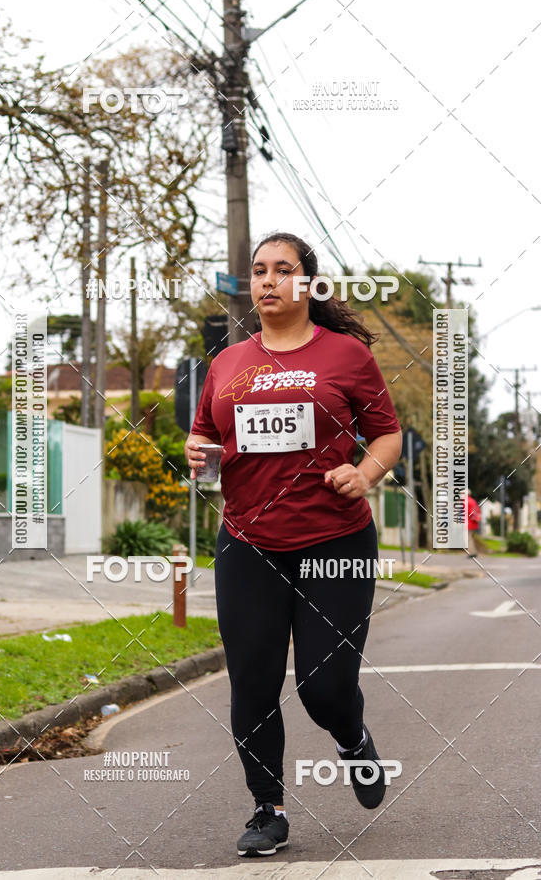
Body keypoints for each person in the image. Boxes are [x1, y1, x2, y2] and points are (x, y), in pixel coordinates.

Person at [184, 232, 403, 857]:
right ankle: (268, 807)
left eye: (284, 270)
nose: (268, 281)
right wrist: (198, 454)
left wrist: (362, 475)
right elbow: (204, 439)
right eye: (259, 271)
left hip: (335, 542)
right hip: (248, 543)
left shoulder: (346, 357)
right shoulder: (226, 364)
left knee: (324, 686)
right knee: (252, 681)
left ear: (309, 283)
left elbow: (386, 435)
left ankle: (353, 737)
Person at [465, 488, 482, 557]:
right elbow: (477, 511)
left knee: (468, 538)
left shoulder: (466, 501)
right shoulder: (473, 501)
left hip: (469, 523)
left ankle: (472, 553)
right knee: (470, 538)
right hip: (474, 523)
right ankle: (473, 552)